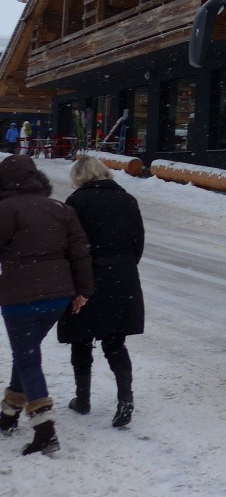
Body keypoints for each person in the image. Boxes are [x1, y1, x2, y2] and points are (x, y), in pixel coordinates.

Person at [0, 154, 93, 456]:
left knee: (27, 358)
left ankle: (44, 429)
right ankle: (8, 415)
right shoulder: (60, 208)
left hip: (20, 297)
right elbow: (80, 252)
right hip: (57, 297)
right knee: (26, 353)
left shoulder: (5, 209)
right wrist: (83, 291)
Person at [56, 156, 144, 430]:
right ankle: (125, 400)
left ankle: (82, 399)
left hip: (87, 278)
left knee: (81, 340)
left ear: (80, 177)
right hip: (122, 277)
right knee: (115, 341)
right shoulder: (128, 200)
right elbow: (137, 242)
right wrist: (123, 267)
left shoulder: (76, 202)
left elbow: (69, 246)